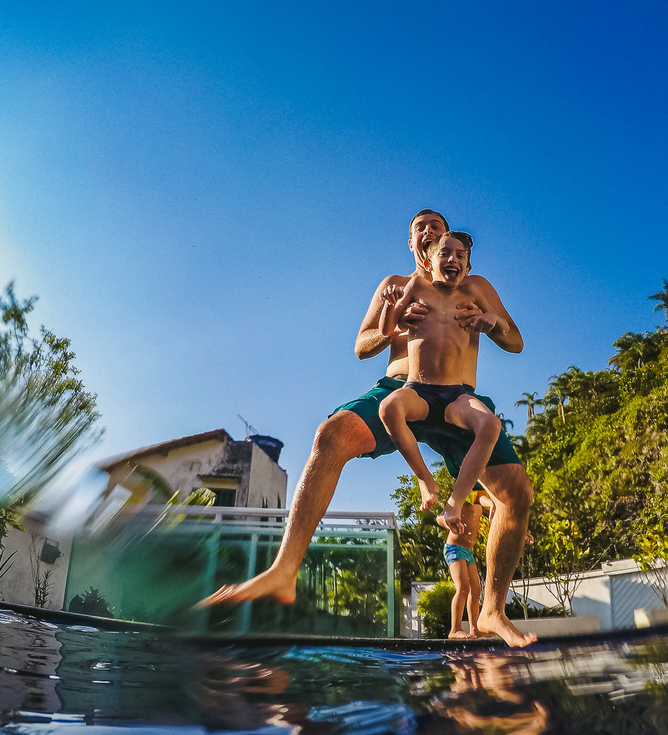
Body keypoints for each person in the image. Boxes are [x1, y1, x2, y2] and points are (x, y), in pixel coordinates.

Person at [197, 210, 536, 646]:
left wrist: (493, 324)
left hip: (456, 394)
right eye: (422, 228)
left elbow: (515, 340)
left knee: (516, 493)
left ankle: (491, 611)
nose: (431, 233)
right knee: (330, 436)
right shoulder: (396, 285)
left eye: (439, 228)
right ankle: (283, 572)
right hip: (402, 386)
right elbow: (362, 346)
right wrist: (394, 323)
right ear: (416, 244)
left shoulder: (476, 286)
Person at [377, 231, 516, 538]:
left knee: (490, 425)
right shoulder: (416, 286)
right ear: (429, 261)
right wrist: (390, 305)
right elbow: (388, 329)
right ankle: (425, 478)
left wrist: (492, 318)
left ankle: (454, 503)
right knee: (388, 407)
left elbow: (507, 330)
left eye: (460, 257)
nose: (452, 259)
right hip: (418, 389)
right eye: (445, 254)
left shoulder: (471, 294)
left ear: (467, 268)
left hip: (456, 393)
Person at [438, 489, 494, 639]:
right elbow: (440, 517)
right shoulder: (460, 500)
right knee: (463, 587)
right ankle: (454, 630)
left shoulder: (481, 500)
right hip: (454, 548)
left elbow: (484, 501)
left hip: (468, 552)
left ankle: (474, 629)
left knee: (475, 589)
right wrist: (448, 523)